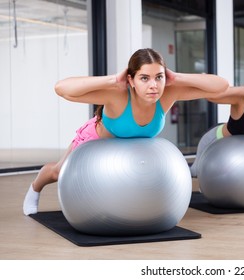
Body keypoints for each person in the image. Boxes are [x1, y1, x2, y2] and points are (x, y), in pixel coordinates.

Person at [23, 48, 229, 215]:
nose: (153, 86)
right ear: (131, 80)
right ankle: (34, 188)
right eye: (144, 78)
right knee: (58, 172)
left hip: (129, 152)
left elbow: (220, 86)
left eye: (158, 77)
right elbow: (61, 88)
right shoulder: (118, 95)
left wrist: (175, 77)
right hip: (95, 142)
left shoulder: (168, 93)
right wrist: (112, 80)